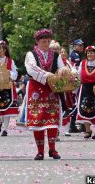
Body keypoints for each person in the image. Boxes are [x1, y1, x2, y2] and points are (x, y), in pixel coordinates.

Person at [24, 29, 70, 160]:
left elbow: (61, 67)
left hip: (51, 90)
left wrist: (64, 72)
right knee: (38, 120)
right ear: (37, 42)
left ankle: (52, 149)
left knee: (52, 120)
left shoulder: (55, 56)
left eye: (48, 41)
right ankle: (40, 151)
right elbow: (31, 69)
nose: (46, 44)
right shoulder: (31, 54)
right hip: (36, 90)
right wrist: (49, 75)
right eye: (43, 41)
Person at [0, 41, 19, 137]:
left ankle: (5, 129)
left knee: (8, 109)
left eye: (0, 49)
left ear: (4, 50)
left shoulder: (10, 61)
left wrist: (7, 72)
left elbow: (15, 74)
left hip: (8, 87)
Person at [69, 39, 85, 133]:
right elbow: (77, 69)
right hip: (77, 82)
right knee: (78, 103)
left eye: (82, 45)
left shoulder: (77, 55)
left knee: (78, 103)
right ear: (74, 46)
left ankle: (75, 124)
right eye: (79, 45)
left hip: (77, 81)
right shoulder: (75, 55)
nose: (81, 47)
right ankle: (74, 125)